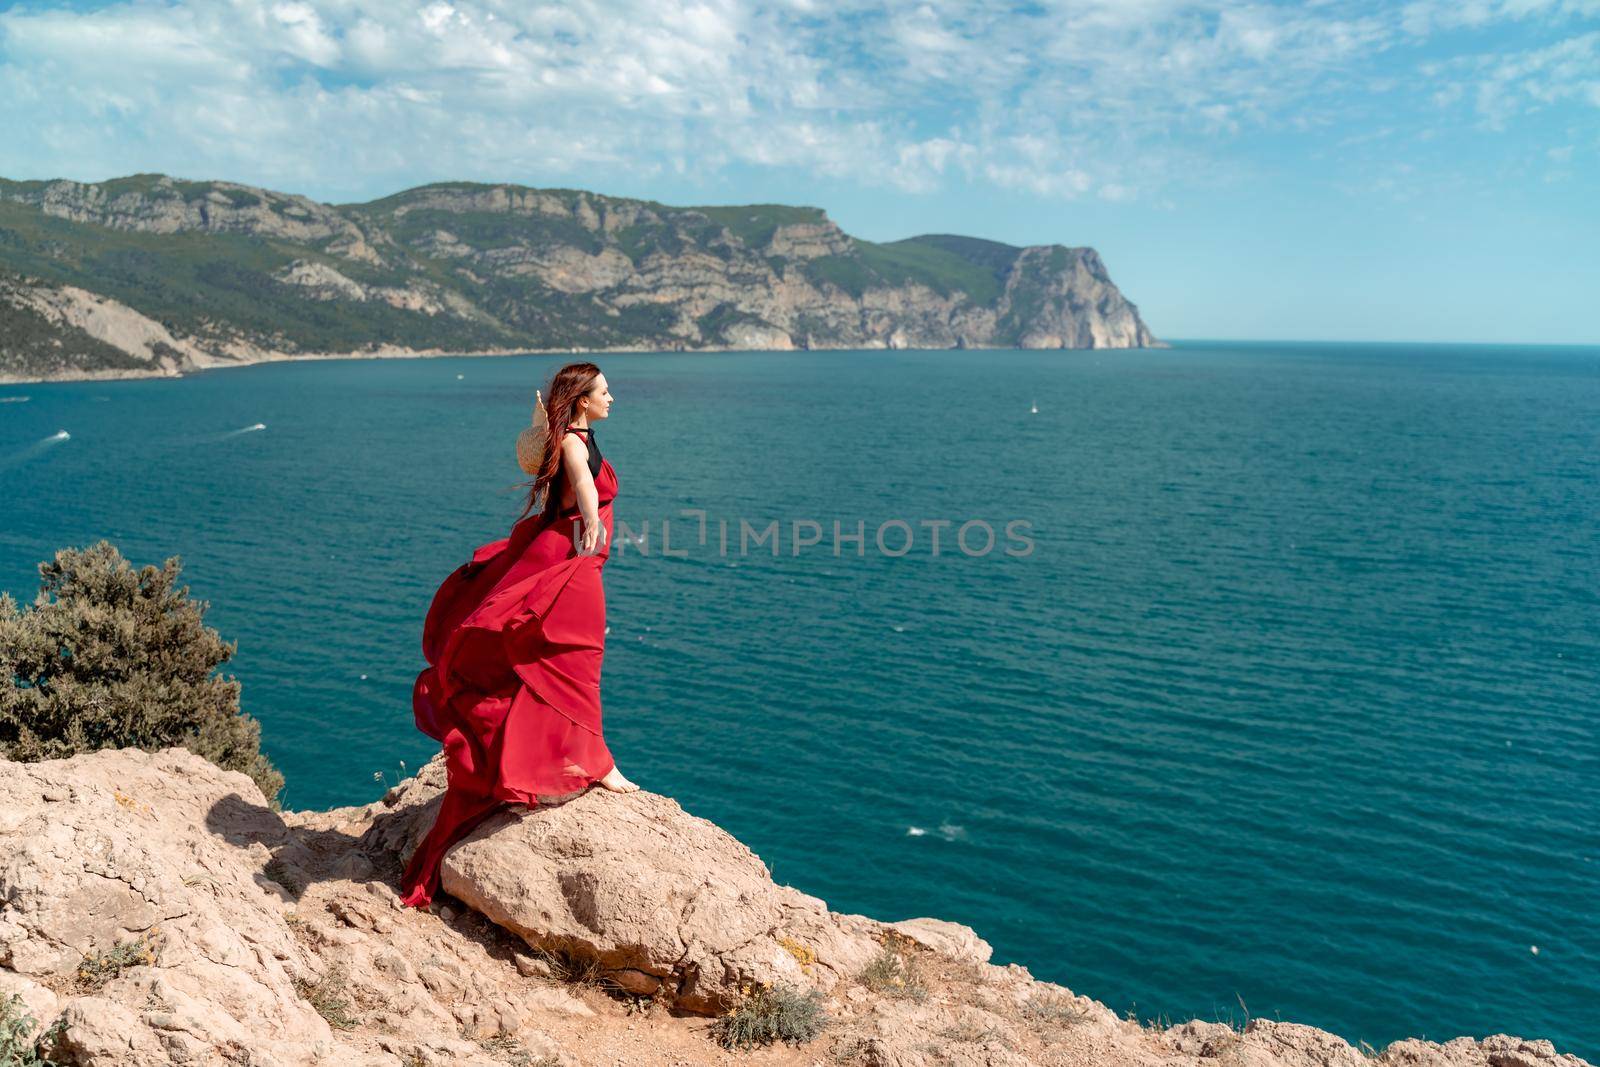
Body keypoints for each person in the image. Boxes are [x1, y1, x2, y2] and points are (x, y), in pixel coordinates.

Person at [398, 362, 638, 910]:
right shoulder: (576, 447)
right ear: (582, 400)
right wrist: (591, 538)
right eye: (604, 391)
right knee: (575, 654)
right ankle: (598, 763)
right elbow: (580, 487)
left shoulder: (581, 436)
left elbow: (574, 473)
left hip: (575, 556)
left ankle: (582, 757)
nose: (613, 397)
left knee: (558, 656)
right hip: (569, 558)